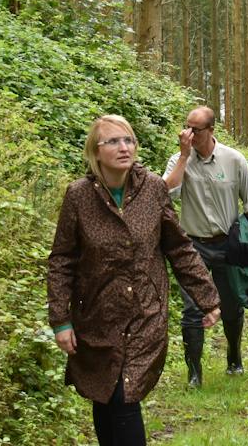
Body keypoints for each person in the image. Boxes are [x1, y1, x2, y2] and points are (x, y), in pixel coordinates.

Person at [48, 114, 221, 446]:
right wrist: (60, 320)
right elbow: (62, 260)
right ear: (95, 151)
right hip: (97, 316)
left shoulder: (153, 188)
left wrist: (207, 298)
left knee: (124, 397)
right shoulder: (79, 196)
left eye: (128, 140)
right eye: (113, 141)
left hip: (145, 314)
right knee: (105, 394)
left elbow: (179, 248)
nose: (123, 147)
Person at [163, 105, 248, 386]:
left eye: (195, 129)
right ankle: (194, 372)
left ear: (211, 130)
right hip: (192, 246)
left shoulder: (234, 159)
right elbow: (166, 192)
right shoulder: (179, 159)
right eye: (186, 127)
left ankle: (234, 356)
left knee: (231, 306)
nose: (188, 133)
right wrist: (183, 157)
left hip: (228, 244)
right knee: (192, 308)